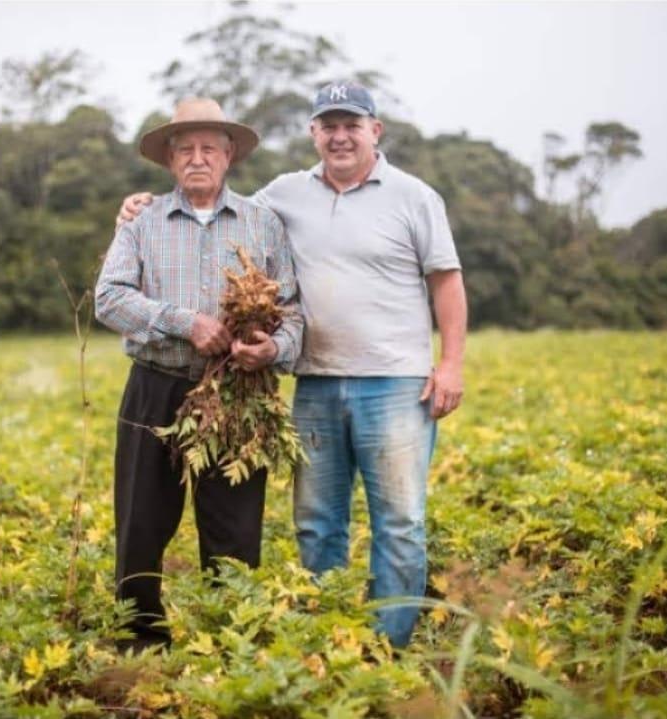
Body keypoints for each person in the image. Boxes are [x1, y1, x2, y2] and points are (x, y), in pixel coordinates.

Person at [116, 82, 467, 648]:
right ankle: (328, 636)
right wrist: (138, 206)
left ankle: (387, 645)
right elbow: (206, 205)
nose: (339, 135)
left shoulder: (414, 196)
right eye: (328, 125)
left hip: (395, 383)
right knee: (316, 523)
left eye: (352, 124)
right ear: (313, 133)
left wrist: (450, 364)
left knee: (400, 523)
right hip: (317, 384)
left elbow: (446, 281)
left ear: (375, 131)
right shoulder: (281, 196)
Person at [95, 97, 302, 652]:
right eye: (184, 148)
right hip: (154, 386)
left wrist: (275, 347)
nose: (197, 157)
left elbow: (295, 309)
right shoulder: (142, 222)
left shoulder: (264, 224)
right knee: (141, 519)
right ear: (168, 159)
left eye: (209, 147)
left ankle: (230, 634)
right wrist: (185, 323)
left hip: (238, 392)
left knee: (234, 524)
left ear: (229, 153)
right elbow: (108, 298)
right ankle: (141, 637)